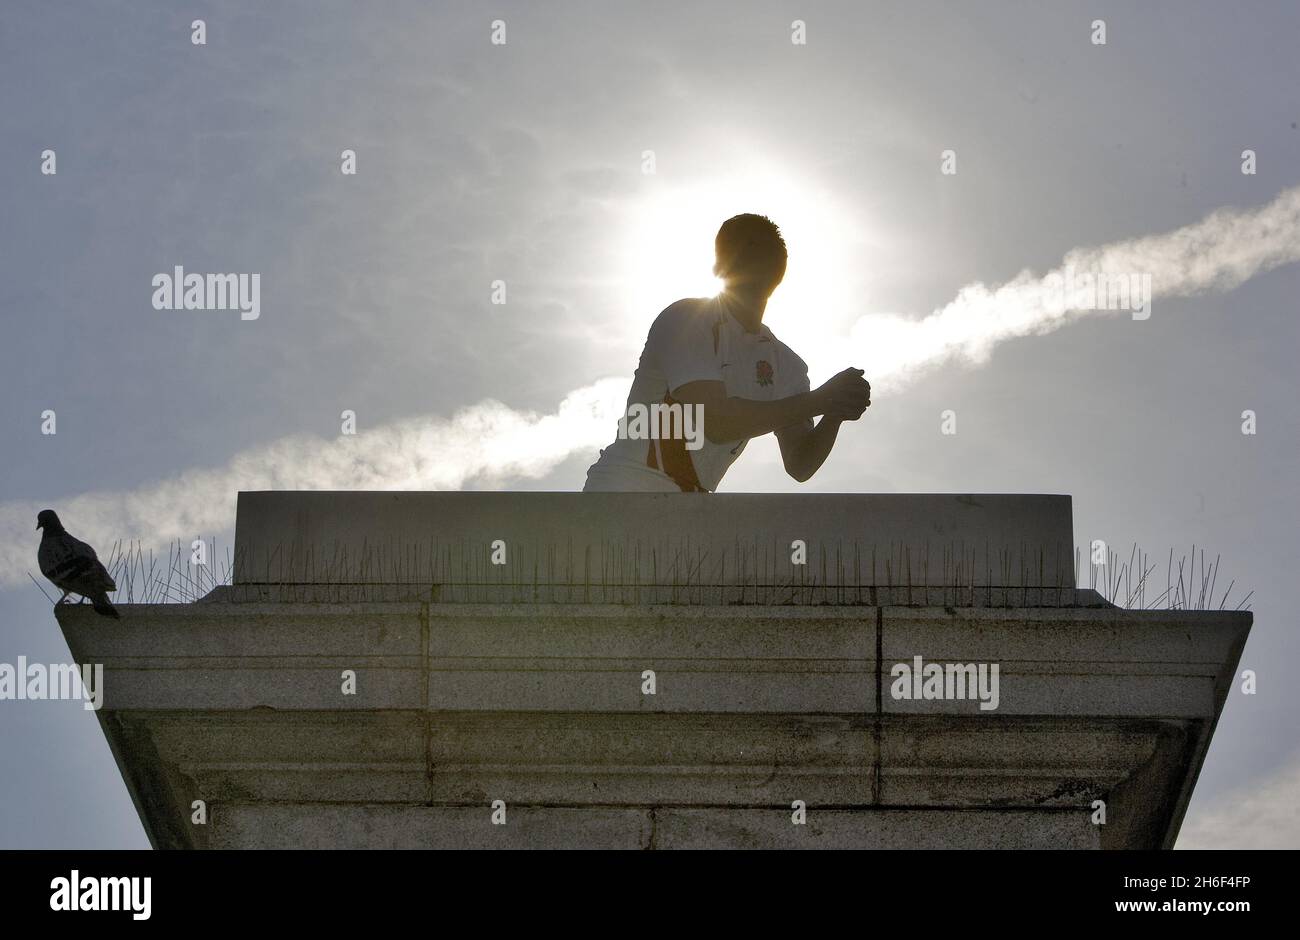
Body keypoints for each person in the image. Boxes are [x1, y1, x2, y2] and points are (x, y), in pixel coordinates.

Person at [584, 213, 871, 492]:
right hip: (624, 490)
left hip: (694, 509)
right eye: (743, 250)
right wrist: (822, 400)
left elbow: (800, 464)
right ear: (718, 268)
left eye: (761, 251)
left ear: (779, 270)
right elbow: (718, 423)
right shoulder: (687, 318)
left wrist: (835, 410)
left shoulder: (787, 364)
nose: (753, 260)